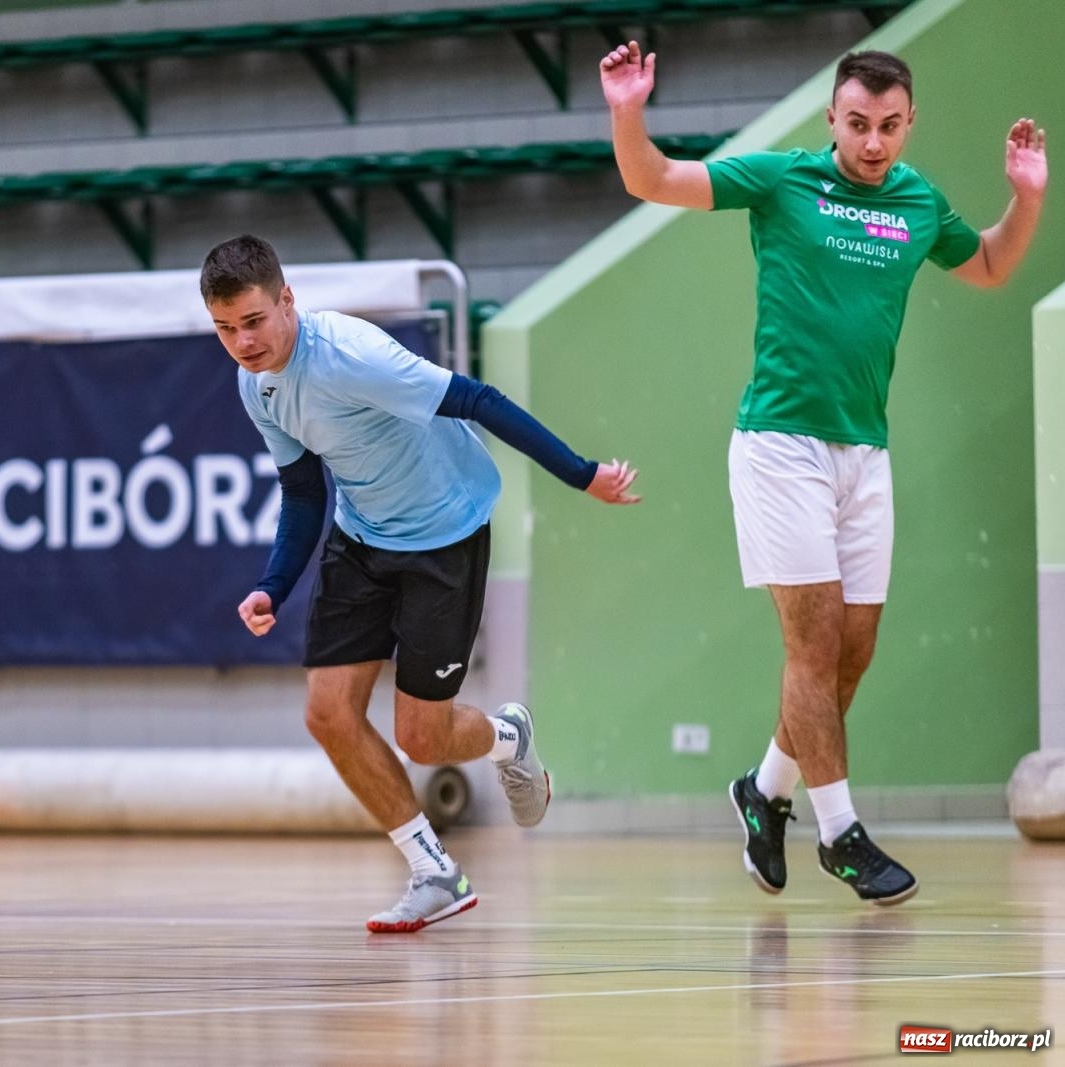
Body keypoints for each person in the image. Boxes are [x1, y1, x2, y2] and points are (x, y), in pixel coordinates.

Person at [600, 43, 1047, 904]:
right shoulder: (781, 183)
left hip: (864, 453)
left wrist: (1025, 199)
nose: (873, 143)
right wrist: (628, 109)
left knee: (852, 653)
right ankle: (841, 833)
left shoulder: (919, 203)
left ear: (909, 122)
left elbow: (990, 265)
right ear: (830, 120)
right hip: (780, 447)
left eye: (888, 126)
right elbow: (651, 178)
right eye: (856, 124)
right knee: (810, 646)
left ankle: (765, 790)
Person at [201, 235, 639, 932]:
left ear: (287, 301)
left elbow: (477, 398)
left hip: (445, 537)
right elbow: (303, 491)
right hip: (362, 536)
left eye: (253, 321)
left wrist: (582, 474)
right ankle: (434, 870)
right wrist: (273, 586)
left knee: (423, 737)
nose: (242, 343)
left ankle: (507, 739)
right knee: (327, 713)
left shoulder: (352, 356)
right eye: (225, 329)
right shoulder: (256, 385)